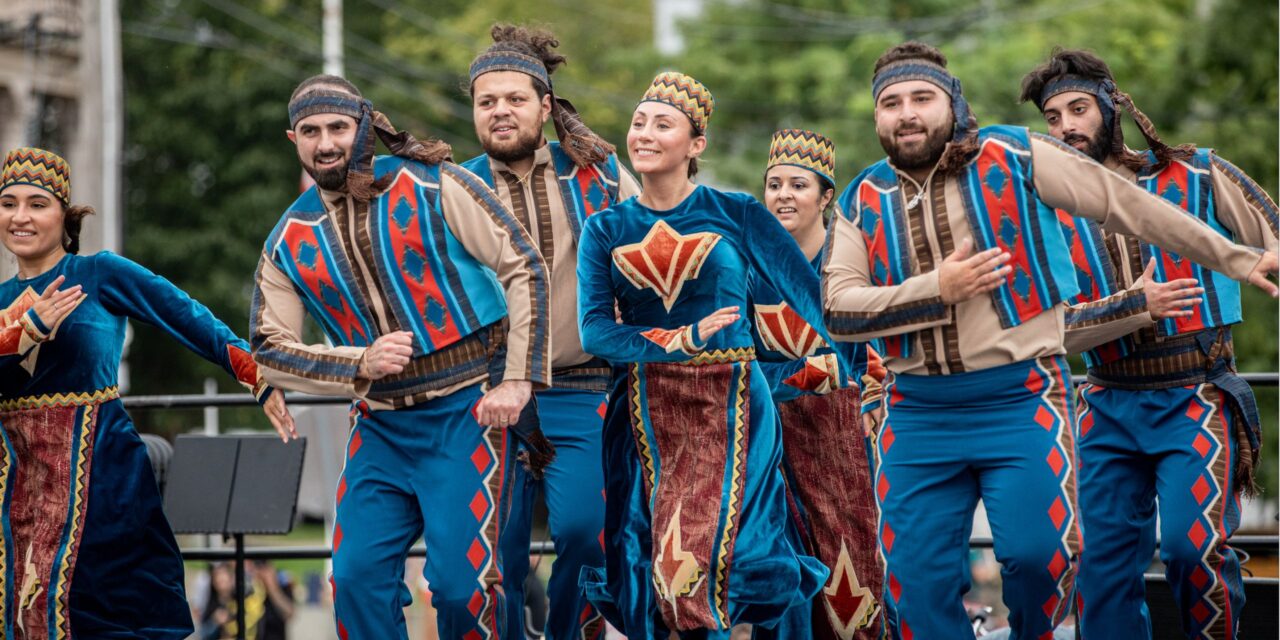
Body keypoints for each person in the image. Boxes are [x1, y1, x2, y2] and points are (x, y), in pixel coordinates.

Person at [820, 42, 1278, 639]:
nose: (906, 113)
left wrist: (1238, 259)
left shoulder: (1021, 157)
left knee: (1075, 558)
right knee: (922, 582)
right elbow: (839, 308)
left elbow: (1132, 205)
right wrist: (940, 288)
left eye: (921, 98)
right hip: (943, 410)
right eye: (891, 102)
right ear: (875, 116)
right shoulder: (863, 196)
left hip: (1049, 397)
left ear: (952, 103)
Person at [249, 74, 550, 639]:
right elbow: (267, 350)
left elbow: (523, 265)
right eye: (311, 131)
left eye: (338, 127)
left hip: (470, 411)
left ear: (363, 126)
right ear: (294, 140)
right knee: (356, 582)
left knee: (464, 592)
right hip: (380, 426)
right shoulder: (285, 239)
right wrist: (356, 362)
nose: (326, 142)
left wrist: (518, 379)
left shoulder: (435, 183)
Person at [1020, 49, 1278, 639]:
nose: (1065, 127)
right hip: (1105, 406)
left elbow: (1273, 241)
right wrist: (1134, 308)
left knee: (1193, 554)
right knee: (1099, 569)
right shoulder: (1045, 213)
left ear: (1113, 106)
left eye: (1078, 109)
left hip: (1197, 398)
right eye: (1053, 117)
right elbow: (1049, 327)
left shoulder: (1199, 173)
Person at [576, 72, 837, 637]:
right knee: (653, 571)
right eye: (639, 122)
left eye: (662, 124)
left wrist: (868, 358)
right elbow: (595, 332)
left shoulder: (737, 212)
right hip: (645, 414)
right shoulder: (604, 229)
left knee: (702, 570)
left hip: (734, 406)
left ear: (696, 145)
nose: (644, 134)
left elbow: (817, 303)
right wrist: (678, 340)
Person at [0, 146, 293, 638]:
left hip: (100, 480)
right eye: (9, 203)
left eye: (37, 203)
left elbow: (189, 318)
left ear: (63, 214)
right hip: (16, 481)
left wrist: (257, 378)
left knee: (102, 613)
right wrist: (24, 330)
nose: (21, 216)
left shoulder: (99, 273)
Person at [461, 24, 640, 639]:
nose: (501, 111)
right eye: (487, 101)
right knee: (493, 558)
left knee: (586, 537)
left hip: (584, 385)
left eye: (515, 99)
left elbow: (651, 250)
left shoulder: (599, 172)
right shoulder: (450, 188)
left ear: (545, 105)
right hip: (483, 395)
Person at [749, 129, 885, 640]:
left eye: (798, 185)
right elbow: (736, 364)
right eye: (774, 184)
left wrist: (865, 388)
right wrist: (807, 375)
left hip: (846, 439)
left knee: (852, 569)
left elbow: (882, 348)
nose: (783, 194)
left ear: (826, 196)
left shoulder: (852, 264)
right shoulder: (749, 268)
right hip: (771, 441)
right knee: (781, 573)